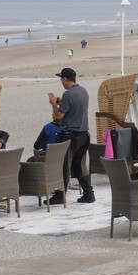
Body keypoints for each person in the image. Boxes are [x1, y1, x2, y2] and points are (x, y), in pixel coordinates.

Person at [48, 67, 95, 203]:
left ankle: (60, 195)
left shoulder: (69, 94)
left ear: (65, 79)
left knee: (64, 165)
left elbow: (59, 116)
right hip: (84, 133)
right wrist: (61, 102)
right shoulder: (83, 92)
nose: (61, 82)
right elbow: (75, 107)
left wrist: (53, 104)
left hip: (70, 135)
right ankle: (88, 193)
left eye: (61, 79)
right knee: (79, 164)